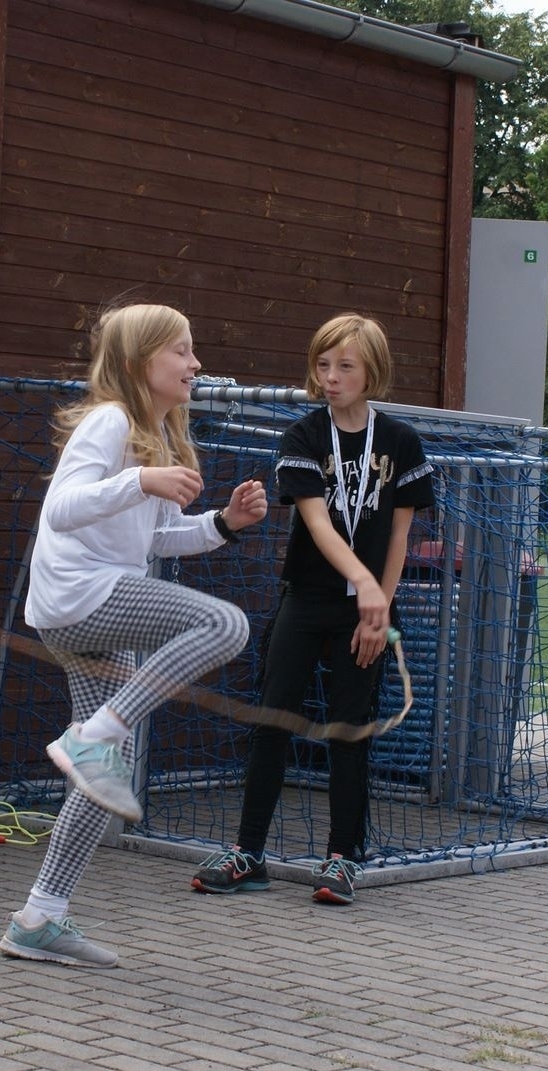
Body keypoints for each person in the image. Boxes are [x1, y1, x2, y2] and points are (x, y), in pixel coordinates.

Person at [0, 303, 269, 968]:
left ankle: (39, 917)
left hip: (91, 604)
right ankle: (90, 739)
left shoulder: (154, 432)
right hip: (81, 599)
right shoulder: (109, 420)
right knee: (222, 622)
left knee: (100, 783)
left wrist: (224, 523)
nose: (195, 363)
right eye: (181, 349)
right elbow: (61, 508)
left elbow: (155, 538)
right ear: (138, 361)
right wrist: (140, 477)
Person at [189, 313, 434, 907]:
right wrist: (360, 581)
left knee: (351, 731)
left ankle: (344, 858)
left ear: (371, 370)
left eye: (344, 366)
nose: (330, 377)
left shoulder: (400, 442)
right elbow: (318, 522)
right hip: (306, 599)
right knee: (273, 720)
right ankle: (249, 853)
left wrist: (380, 606)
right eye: (323, 365)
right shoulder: (302, 436)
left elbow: (398, 538)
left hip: (366, 610)